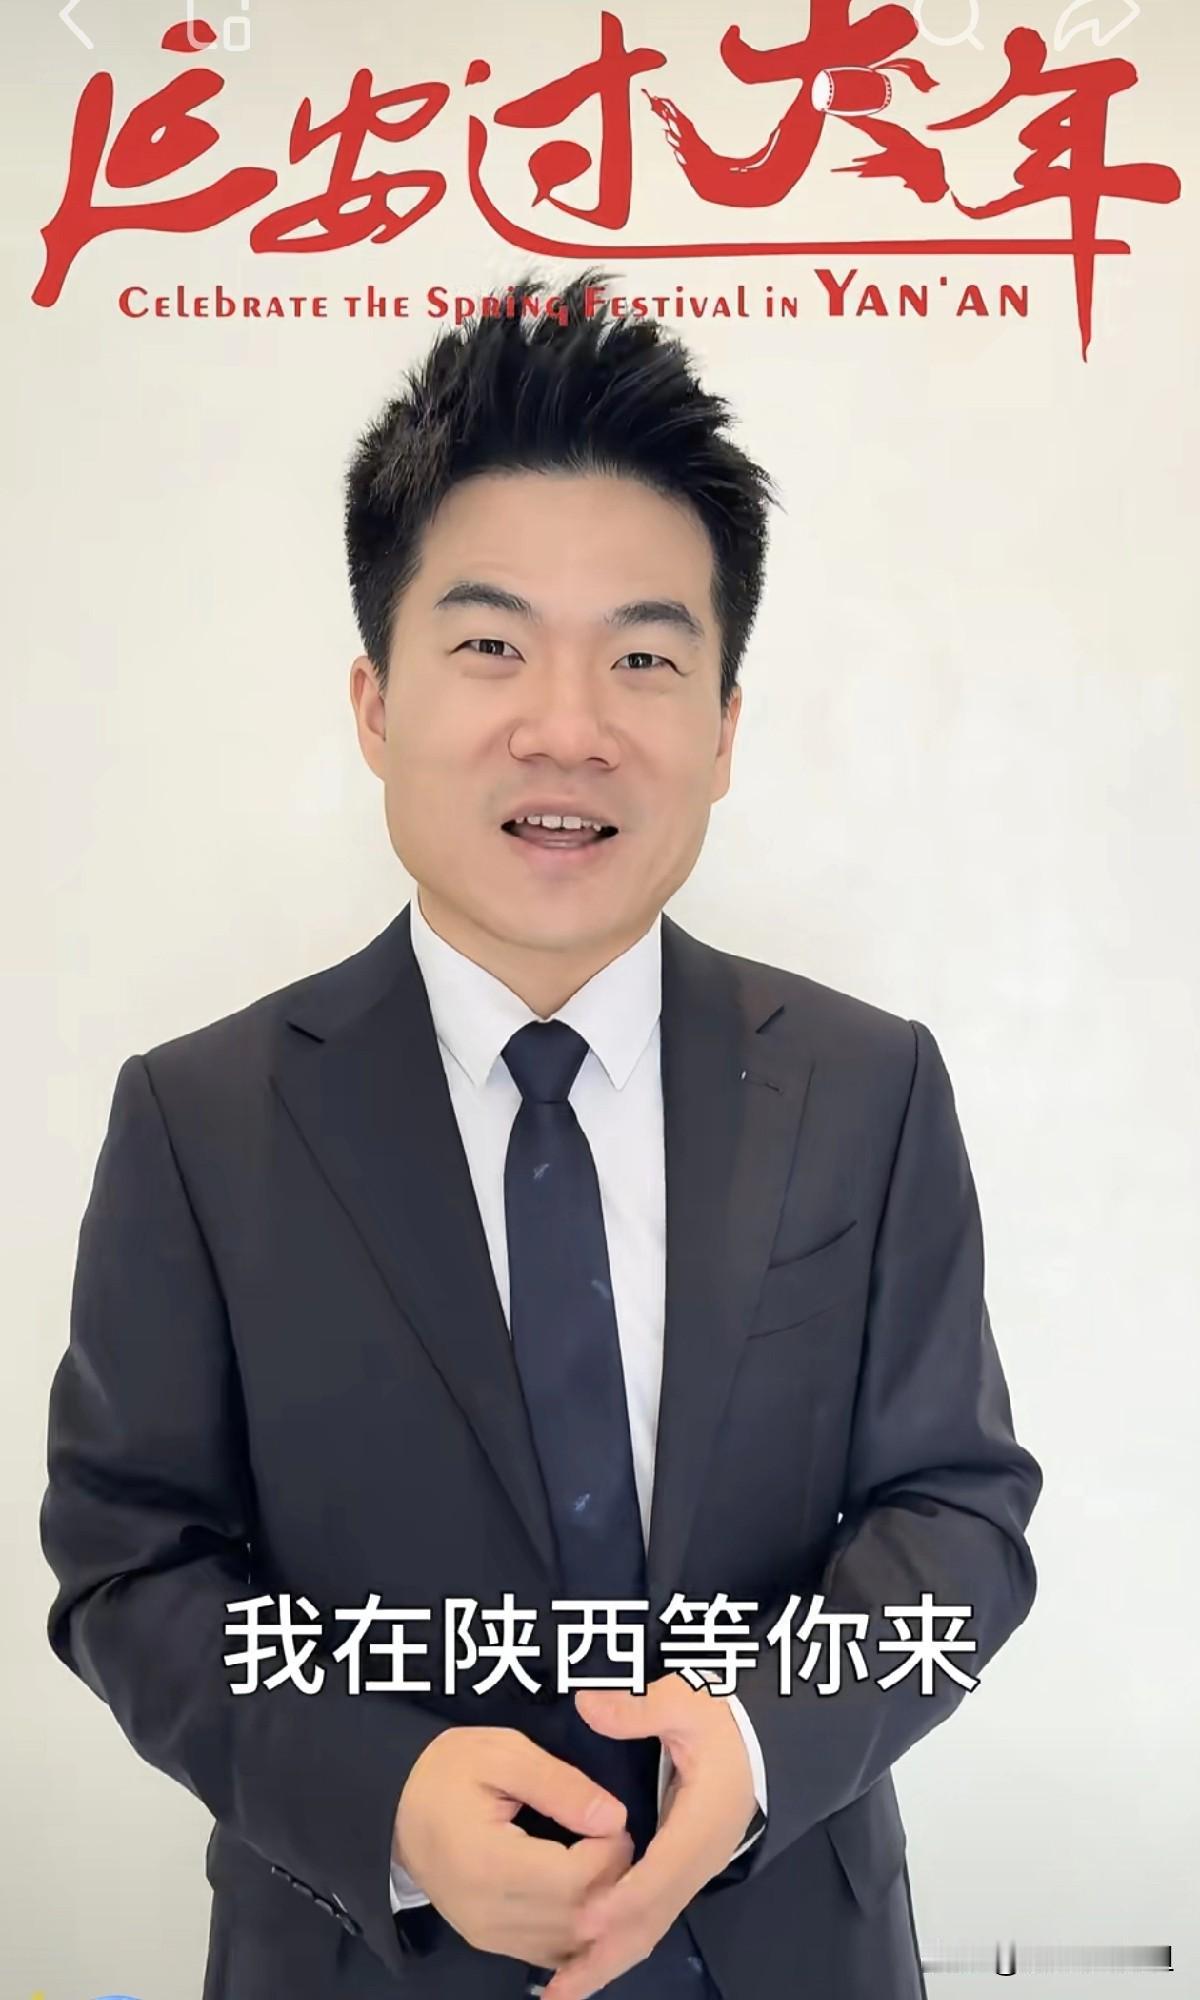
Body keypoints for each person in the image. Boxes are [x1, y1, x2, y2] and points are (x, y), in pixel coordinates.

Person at [41, 265, 1042, 2000]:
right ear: (377, 703)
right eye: (491, 644)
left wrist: (766, 1738)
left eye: (644, 658)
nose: (567, 728)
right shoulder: (198, 1120)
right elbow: (128, 1566)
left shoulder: (867, 1087)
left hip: (787, 1947)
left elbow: (958, 1509)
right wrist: (385, 1799)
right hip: (365, 1956)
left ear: (722, 730)